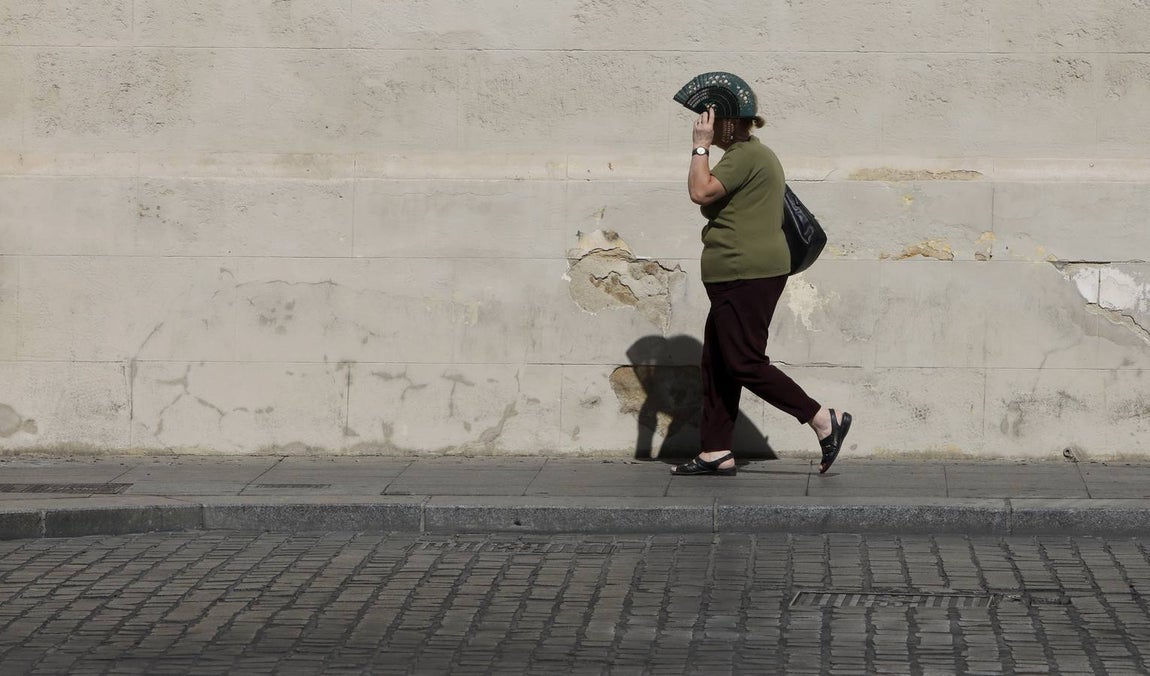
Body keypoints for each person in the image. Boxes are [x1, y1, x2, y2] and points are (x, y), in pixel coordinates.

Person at [671, 88, 851, 477]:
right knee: (717, 363)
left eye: (711, 118)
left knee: (744, 362)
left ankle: (822, 418)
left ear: (730, 121)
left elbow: (700, 192)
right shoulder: (751, 156)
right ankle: (715, 451)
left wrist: (699, 148)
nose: (704, 124)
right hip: (737, 273)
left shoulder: (745, 155)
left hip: (745, 272)